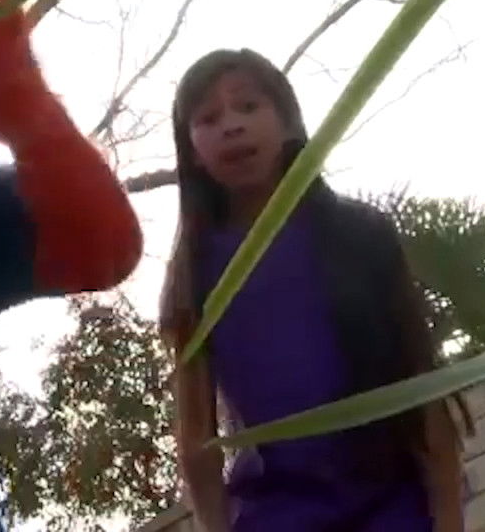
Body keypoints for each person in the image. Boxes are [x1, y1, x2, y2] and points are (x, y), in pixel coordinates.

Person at [159, 48, 467, 532]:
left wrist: (448, 517)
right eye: (208, 118)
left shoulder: (361, 233)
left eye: (248, 106)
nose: (231, 125)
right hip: (276, 515)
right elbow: (197, 438)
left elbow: (421, 384)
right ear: (192, 152)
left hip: (393, 505)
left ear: (289, 124)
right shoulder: (194, 275)